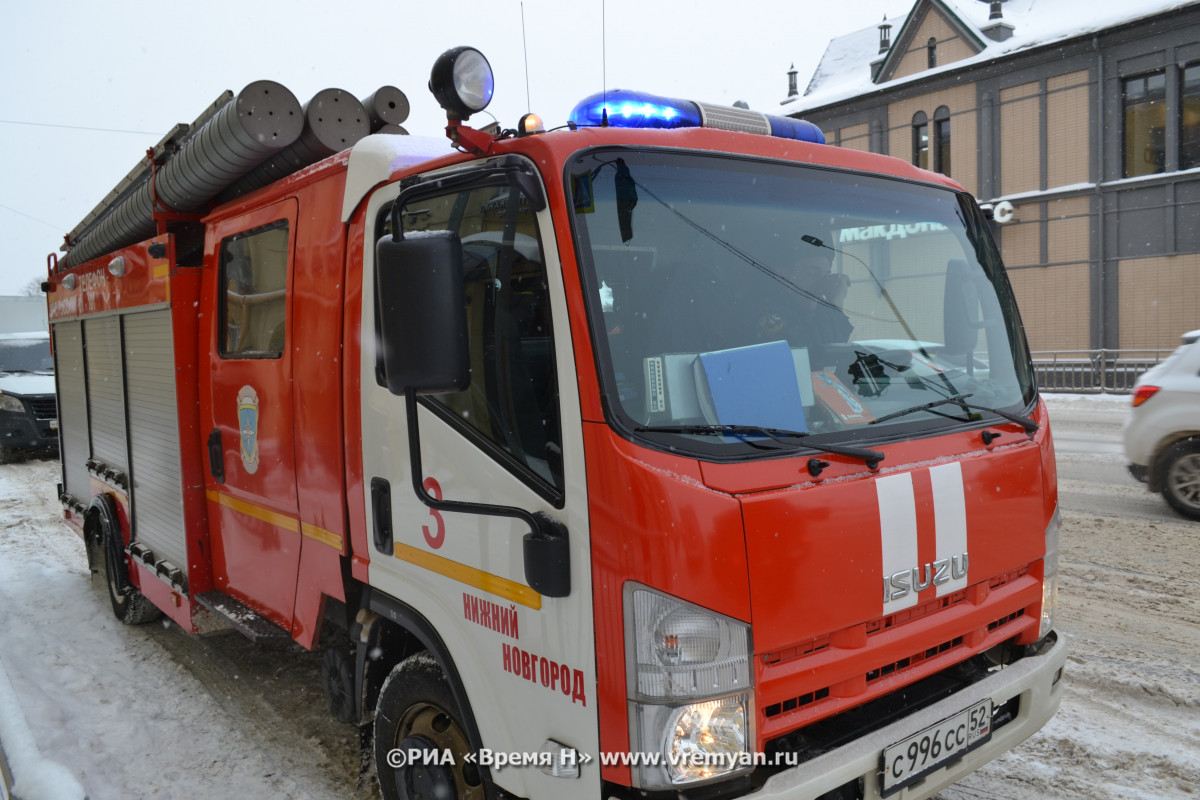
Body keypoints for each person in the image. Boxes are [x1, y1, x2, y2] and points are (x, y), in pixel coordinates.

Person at [753, 252, 853, 346]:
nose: (823, 283)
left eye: (827, 275)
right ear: (783, 276)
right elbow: (814, 354)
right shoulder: (766, 312)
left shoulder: (818, 312)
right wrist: (834, 306)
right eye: (812, 273)